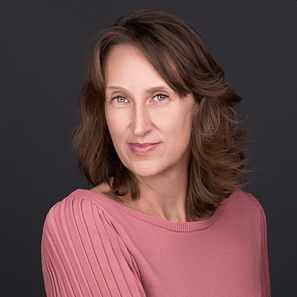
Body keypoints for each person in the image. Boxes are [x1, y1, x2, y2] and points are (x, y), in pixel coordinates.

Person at [41, 9, 271, 297]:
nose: (138, 126)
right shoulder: (80, 223)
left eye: (159, 96)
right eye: (120, 98)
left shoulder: (246, 214)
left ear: (198, 103)